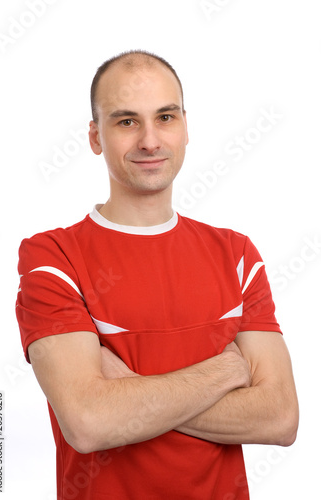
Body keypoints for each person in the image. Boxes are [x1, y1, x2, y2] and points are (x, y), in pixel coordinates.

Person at [16, 50, 299, 500]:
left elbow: (280, 418)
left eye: (165, 117)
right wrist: (227, 370)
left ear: (186, 127)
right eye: (126, 121)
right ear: (95, 137)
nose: (150, 140)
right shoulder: (52, 256)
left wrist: (125, 388)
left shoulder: (236, 253)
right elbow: (89, 423)